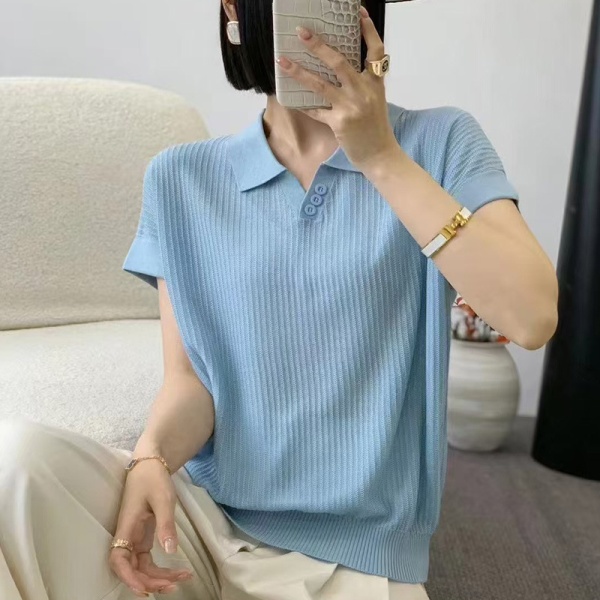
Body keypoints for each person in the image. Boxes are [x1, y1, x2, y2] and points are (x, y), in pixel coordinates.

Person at [0, 1, 559, 599]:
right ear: (234, 8)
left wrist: (380, 157)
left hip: (353, 557)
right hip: (200, 525)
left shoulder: (439, 143)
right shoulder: (181, 179)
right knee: (20, 462)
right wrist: (151, 459)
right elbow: (190, 382)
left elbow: (531, 318)